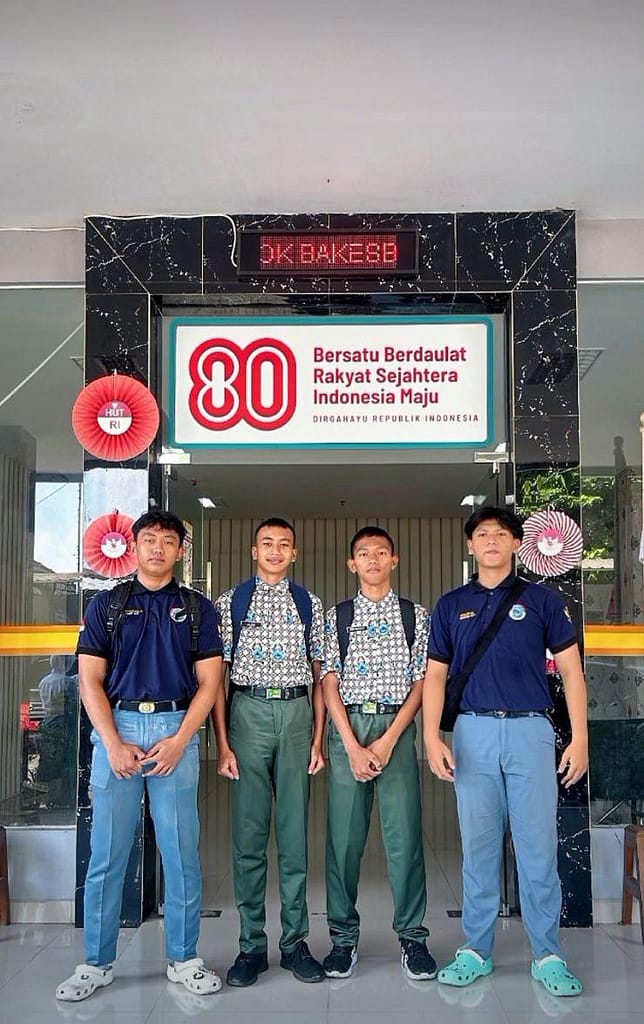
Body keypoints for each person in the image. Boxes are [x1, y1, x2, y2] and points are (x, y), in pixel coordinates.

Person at [56, 511, 224, 1002]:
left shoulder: (197, 609)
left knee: (180, 852)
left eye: (168, 541)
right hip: (120, 727)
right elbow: (90, 679)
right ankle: (96, 963)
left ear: (181, 550)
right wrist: (111, 741)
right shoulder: (107, 605)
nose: (157, 549)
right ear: (134, 546)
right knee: (107, 854)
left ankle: (184, 958)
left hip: (176, 728)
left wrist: (181, 738)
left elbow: (210, 682)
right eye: (149, 539)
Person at [423, 506, 588, 997]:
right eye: (482, 534)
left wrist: (580, 738)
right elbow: (435, 675)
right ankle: (476, 949)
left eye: (500, 533)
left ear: (517, 544)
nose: (491, 540)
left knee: (538, 848)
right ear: (470, 545)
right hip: (472, 732)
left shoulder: (542, 600)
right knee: (478, 848)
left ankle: (548, 955)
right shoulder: (451, 605)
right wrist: (431, 736)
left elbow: (572, 672)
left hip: (530, 731)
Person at [212, 517, 326, 986]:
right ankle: (251, 947)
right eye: (267, 543)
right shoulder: (231, 603)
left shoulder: (309, 603)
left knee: (294, 837)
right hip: (248, 712)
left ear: (294, 553)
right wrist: (222, 743)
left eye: (284, 544)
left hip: (297, 713)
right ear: (254, 551)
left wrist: (317, 738)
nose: (275, 550)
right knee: (249, 837)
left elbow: (321, 674)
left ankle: (295, 944)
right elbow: (217, 678)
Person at [321, 526, 436, 981]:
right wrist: (351, 745)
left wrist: (388, 741)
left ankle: (413, 937)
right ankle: (342, 940)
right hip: (348, 728)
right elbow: (329, 681)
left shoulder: (415, 615)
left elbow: (422, 682)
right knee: (344, 842)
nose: (373, 559)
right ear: (352, 564)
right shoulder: (337, 616)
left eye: (381, 552)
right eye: (364, 553)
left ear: (394, 560)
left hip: (396, 729)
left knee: (404, 838)